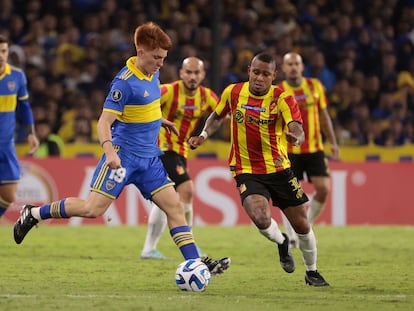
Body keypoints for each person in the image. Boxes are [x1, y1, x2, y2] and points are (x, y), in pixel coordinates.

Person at [13, 22, 230, 276]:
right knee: (91, 209)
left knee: (175, 207)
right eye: (157, 58)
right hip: (123, 157)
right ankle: (34, 213)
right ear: (141, 52)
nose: (161, 63)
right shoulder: (124, 84)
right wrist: (110, 153)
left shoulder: (153, 73)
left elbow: (144, 105)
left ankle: (195, 263)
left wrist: (159, 120)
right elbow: (104, 122)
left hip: (149, 159)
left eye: (163, 58)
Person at [188, 52, 329, 286]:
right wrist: (202, 135)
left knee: (302, 224)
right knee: (260, 217)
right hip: (246, 169)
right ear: (249, 71)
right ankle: (282, 242)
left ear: (274, 76)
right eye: (256, 72)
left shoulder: (283, 98)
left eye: (266, 74)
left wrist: (297, 136)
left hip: (279, 169)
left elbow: (296, 126)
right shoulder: (233, 92)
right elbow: (216, 116)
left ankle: (312, 272)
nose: (260, 78)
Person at [141, 57, 218, 259]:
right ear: (181, 73)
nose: (192, 77)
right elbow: (145, 106)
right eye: (188, 72)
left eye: (196, 73)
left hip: (181, 151)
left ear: (203, 75)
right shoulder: (168, 91)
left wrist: (203, 135)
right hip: (162, 149)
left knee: (165, 198)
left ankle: (149, 249)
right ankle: (189, 242)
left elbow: (220, 116)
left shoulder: (206, 97)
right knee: (187, 189)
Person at [278, 52, 339, 248]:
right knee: (287, 196)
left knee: (323, 189)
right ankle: (292, 236)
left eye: (296, 63)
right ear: (284, 68)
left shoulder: (315, 86)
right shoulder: (278, 91)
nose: (293, 67)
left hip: (314, 148)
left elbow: (323, 115)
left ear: (302, 67)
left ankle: (306, 224)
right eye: (289, 64)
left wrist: (333, 141)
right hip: (289, 150)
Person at [0, 35, 39, 220]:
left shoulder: (16, 76)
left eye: (4, 51)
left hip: (6, 145)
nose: (1, 55)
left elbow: (24, 107)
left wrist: (31, 133)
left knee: (9, 196)